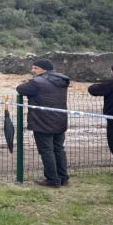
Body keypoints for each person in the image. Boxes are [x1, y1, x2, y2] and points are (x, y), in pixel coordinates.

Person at [16, 59, 70, 188]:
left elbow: (20, 89)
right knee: (59, 149)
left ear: (43, 69)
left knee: (46, 151)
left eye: (35, 68)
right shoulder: (62, 80)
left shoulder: (37, 82)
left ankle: (52, 179)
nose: (32, 70)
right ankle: (63, 177)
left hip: (43, 122)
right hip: (60, 120)